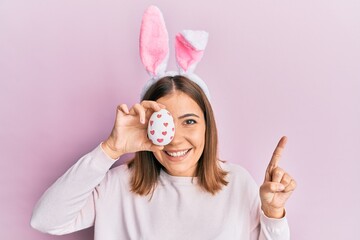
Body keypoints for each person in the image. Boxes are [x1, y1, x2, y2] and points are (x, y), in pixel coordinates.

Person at [31, 6, 296, 239]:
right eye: (164, 121)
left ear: (208, 126)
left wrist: (273, 214)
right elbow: (45, 220)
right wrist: (110, 149)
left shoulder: (237, 183)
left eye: (189, 121)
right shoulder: (117, 185)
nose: (175, 138)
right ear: (147, 126)